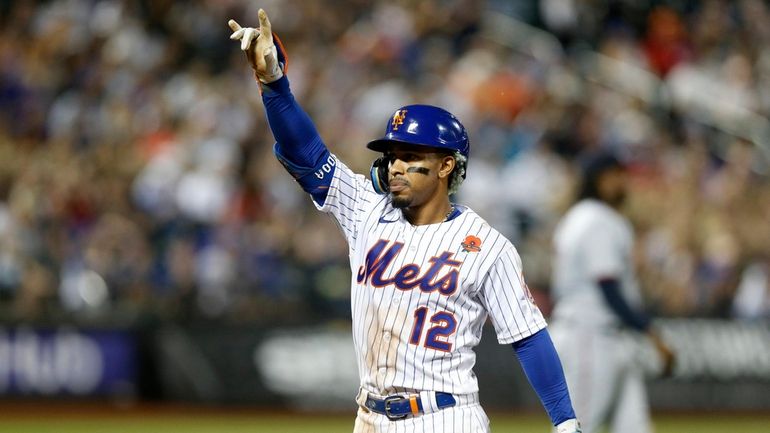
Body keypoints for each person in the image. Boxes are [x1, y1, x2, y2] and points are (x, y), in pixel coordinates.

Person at [228, 9, 581, 433]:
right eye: (393, 154)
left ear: (447, 166)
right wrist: (274, 86)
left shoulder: (486, 245)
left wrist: (565, 423)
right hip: (370, 417)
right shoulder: (366, 210)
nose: (395, 165)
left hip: (446, 417)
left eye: (411, 156)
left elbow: (528, 337)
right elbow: (306, 153)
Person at [549, 152, 675, 433]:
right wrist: (650, 331)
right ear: (600, 180)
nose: (623, 183)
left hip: (610, 337)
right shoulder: (596, 219)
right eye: (616, 176)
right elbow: (608, 288)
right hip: (589, 335)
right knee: (577, 427)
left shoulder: (586, 217)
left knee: (634, 427)